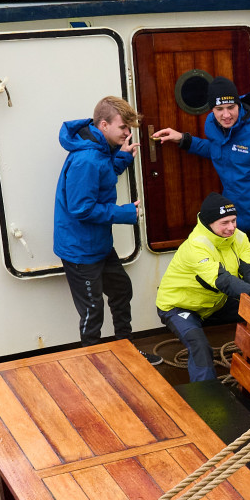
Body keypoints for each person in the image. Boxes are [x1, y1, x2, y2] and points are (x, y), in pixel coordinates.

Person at [54, 95, 161, 363]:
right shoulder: (87, 159)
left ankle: (126, 351)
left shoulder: (99, 151)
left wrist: (121, 160)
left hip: (98, 245)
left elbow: (102, 176)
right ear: (103, 125)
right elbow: (82, 208)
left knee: (121, 289)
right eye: (123, 128)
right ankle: (94, 365)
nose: (127, 133)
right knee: (92, 310)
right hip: (80, 251)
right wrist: (125, 213)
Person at [153, 76, 250, 249]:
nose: (226, 115)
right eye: (219, 109)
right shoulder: (212, 125)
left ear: (239, 105)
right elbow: (218, 151)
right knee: (241, 274)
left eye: (231, 107)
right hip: (236, 223)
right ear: (212, 109)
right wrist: (183, 139)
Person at [156, 192, 250, 381]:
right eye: (224, 223)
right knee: (199, 346)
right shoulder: (197, 245)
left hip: (215, 302)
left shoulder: (239, 238)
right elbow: (222, 280)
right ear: (208, 223)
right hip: (179, 306)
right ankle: (206, 399)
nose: (231, 227)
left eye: (233, 220)